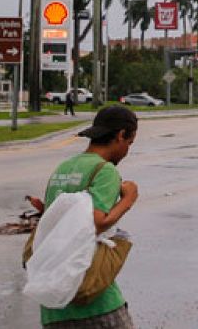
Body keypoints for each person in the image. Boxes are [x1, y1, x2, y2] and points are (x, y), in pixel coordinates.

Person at [39, 104, 140, 328]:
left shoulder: (64, 168)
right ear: (121, 135)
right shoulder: (105, 170)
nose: (127, 151)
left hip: (55, 301)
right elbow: (96, 223)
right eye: (129, 143)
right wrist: (128, 200)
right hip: (95, 301)